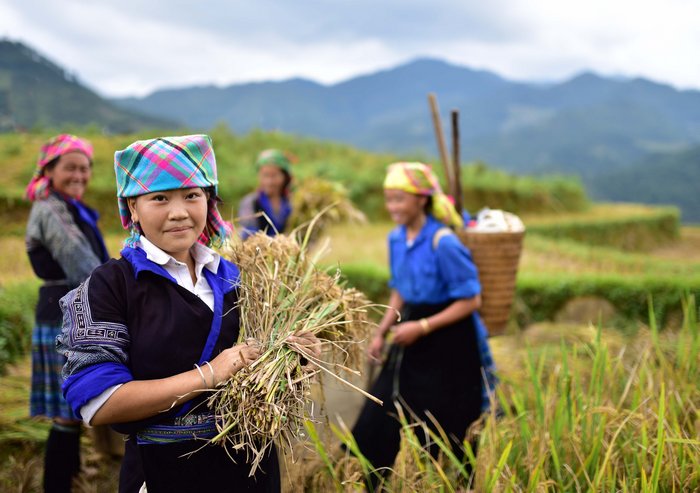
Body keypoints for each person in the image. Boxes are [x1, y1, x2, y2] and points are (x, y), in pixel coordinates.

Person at [57, 135, 317, 493]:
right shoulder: (110, 286)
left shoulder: (240, 277)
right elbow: (98, 403)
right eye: (160, 197)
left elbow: (256, 370)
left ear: (209, 200)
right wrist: (210, 374)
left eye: (192, 195)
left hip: (250, 468)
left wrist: (290, 358)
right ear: (132, 207)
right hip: (164, 471)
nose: (179, 211)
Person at [350, 162, 496, 489]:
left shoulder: (444, 243)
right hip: (411, 332)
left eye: (399, 199)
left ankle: (454, 481)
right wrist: (380, 332)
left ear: (421, 199)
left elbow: (472, 301)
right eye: (389, 200)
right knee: (382, 408)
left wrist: (423, 327)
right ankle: (373, 481)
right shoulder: (396, 239)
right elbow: (400, 290)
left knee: (449, 418)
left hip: (451, 340)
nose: (393, 207)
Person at [25, 134, 110, 492]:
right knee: (66, 409)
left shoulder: (70, 206)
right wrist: (119, 289)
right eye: (70, 167)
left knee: (73, 407)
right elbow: (80, 262)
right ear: (49, 170)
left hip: (70, 312)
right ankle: (57, 485)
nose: (79, 174)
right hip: (63, 317)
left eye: (84, 168)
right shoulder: (50, 208)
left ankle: (71, 475)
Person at [238, 149, 293, 239]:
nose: (269, 182)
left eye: (274, 175)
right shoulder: (251, 203)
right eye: (265, 175)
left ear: (285, 177)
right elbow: (248, 234)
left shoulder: (290, 202)